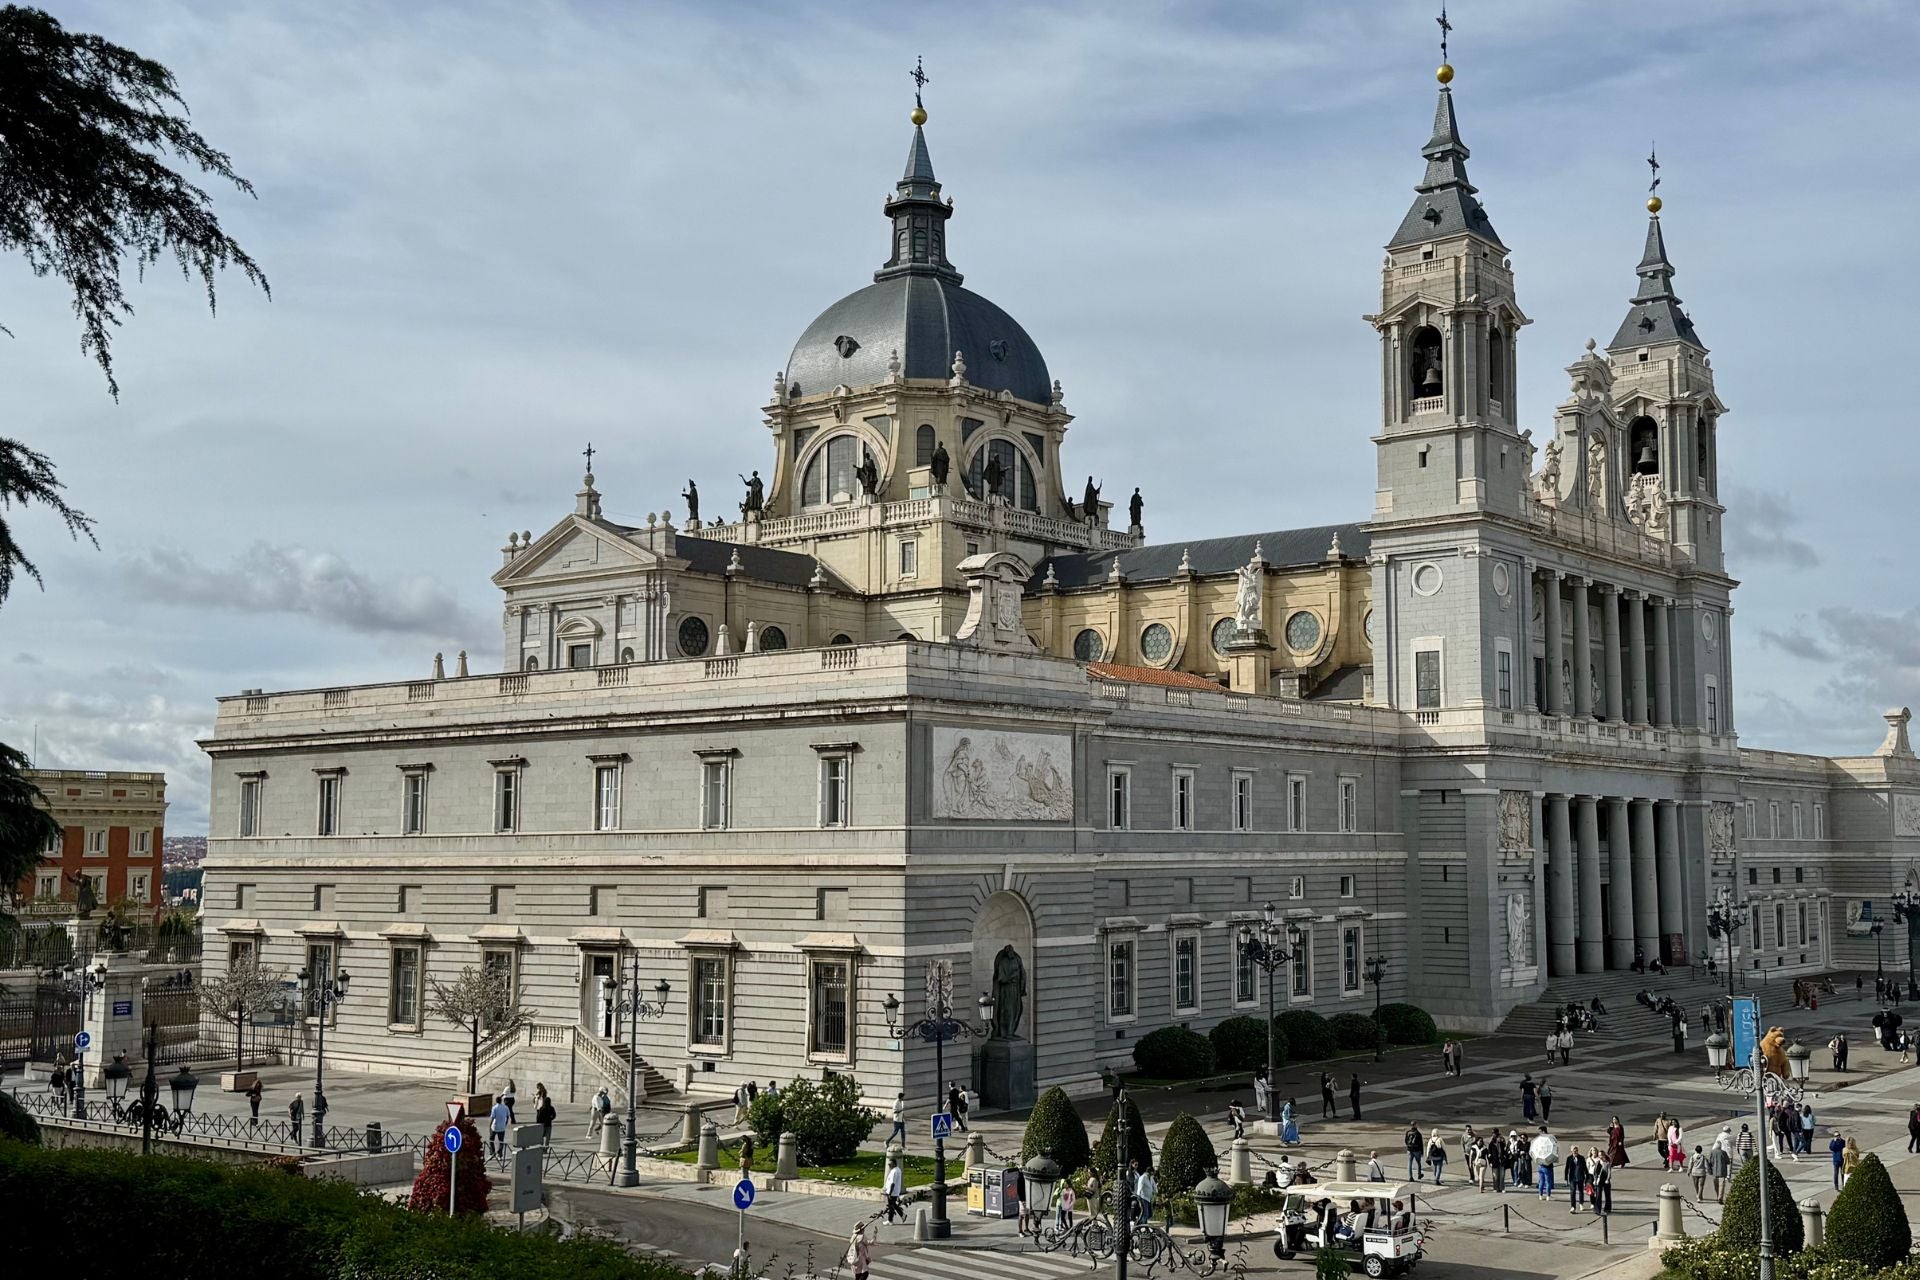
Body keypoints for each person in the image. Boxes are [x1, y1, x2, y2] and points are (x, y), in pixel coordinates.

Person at [1530, 1127, 1558, 1199]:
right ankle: (1548, 1195)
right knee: (1548, 1182)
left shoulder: (1539, 1141)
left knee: (1541, 1181)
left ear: (1543, 1131)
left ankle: (1540, 1195)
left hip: (1540, 1165)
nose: (1539, 1133)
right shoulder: (1549, 1139)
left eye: (1540, 1131)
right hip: (1547, 1165)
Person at [1564, 1146, 1588, 1213]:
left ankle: (1581, 1203)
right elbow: (1566, 1168)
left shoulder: (1581, 1158)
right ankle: (1573, 1207)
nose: (1575, 1152)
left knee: (1581, 1191)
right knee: (1573, 1192)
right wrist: (1566, 1178)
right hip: (1572, 1178)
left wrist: (1587, 1176)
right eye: (1574, 1151)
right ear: (1571, 1151)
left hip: (1580, 1177)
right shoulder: (1569, 1158)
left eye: (1576, 1150)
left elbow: (1585, 1168)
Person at [882, 1159, 906, 1223]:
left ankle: (901, 1215)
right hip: (894, 1191)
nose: (889, 1165)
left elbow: (893, 1183)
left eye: (890, 1164)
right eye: (888, 1164)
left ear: (894, 1164)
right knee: (892, 1206)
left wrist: (890, 1193)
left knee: (892, 1206)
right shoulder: (897, 1170)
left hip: (892, 1192)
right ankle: (891, 1220)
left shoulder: (894, 1171)